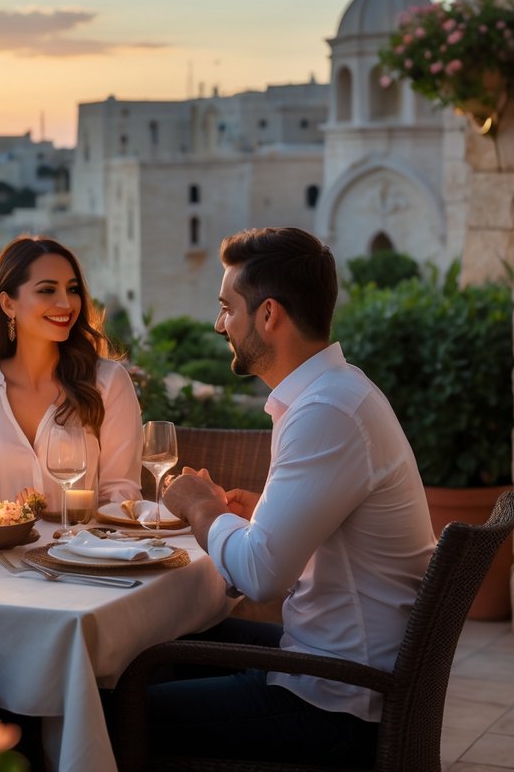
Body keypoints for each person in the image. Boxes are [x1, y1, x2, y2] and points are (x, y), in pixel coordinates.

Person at [150, 227, 435, 765]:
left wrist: (198, 506)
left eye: (226, 308)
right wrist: (262, 513)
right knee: (145, 652)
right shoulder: (336, 394)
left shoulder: (327, 412)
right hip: (336, 670)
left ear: (269, 315)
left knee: (120, 705)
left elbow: (260, 576)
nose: (220, 325)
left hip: (336, 701)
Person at [0, 236, 141, 509]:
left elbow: (122, 493)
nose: (66, 303)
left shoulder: (108, 381)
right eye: (47, 290)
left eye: (72, 289)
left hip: (82, 548)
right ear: (8, 305)